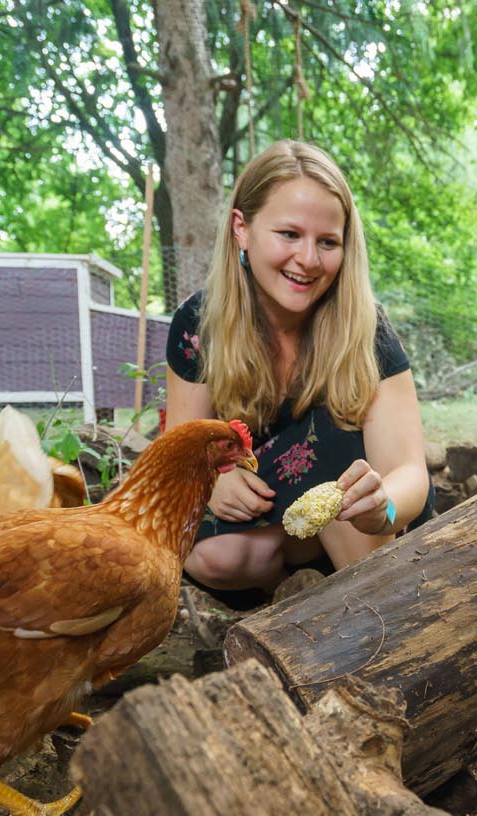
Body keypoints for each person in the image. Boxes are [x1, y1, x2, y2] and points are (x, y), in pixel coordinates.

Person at [165, 140, 431, 595]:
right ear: (242, 229)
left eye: (327, 242)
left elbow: (409, 472)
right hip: (265, 513)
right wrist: (212, 479)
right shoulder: (198, 323)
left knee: (336, 450)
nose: (308, 260)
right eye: (289, 234)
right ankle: (296, 585)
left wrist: (383, 506)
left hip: (359, 522)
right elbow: (180, 452)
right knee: (217, 557)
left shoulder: (368, 330)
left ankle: (376, 598)